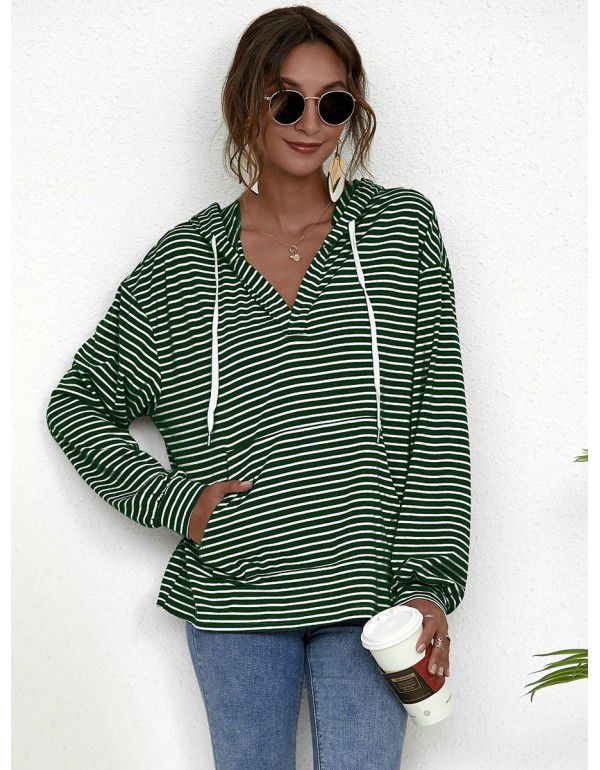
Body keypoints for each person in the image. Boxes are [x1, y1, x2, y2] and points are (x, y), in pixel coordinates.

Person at [46, 5, 471, 768]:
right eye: (286, 99)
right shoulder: (184, 265)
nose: (309, 122)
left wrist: (429, 585)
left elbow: (435, 418)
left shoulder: (399, 231)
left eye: (332, 103)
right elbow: (77, 404)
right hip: (234, 596)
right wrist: (182, 502)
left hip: (372, 598)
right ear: (247, 102)